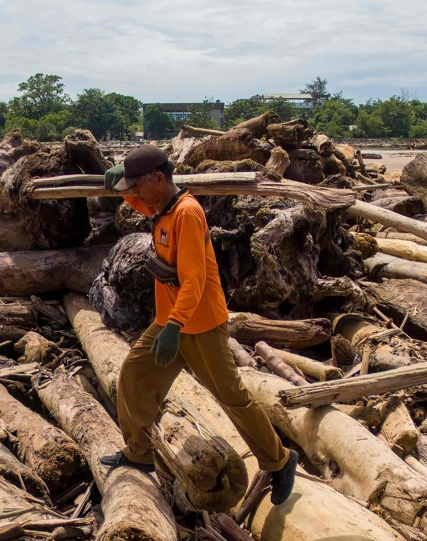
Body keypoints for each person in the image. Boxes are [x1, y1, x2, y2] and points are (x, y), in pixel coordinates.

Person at [99, 144, 299, 504]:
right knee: (133, 374)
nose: (136, 193)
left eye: (138, 184)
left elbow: (194, 280)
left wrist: (174, 327)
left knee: (231, 397)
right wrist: (121, 184)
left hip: (199, 323)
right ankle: (139, 452)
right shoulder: (161, 208)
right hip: (171, 321)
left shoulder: (187, 214)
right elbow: (139, 203)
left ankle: (280, 460)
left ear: (157, 178)